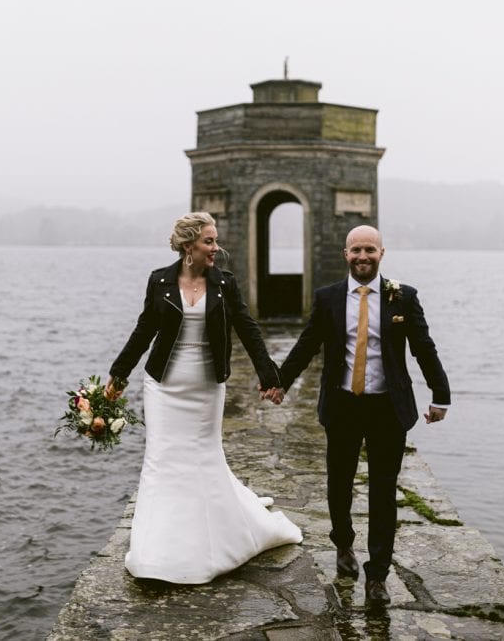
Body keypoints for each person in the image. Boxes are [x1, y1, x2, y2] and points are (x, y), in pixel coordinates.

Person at [107, 212, 302, 584]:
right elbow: (144, 329)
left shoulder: (224, 283)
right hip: (163, 385)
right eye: (209, 242)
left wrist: (269, 375)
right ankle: (155, 549)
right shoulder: (160, 280)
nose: (216, 248)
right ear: (188, 245)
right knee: (162, 459)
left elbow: (247, 326)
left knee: (204, 456)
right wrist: (119, 374)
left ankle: (211, 543)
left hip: (206, 386)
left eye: (216, 241)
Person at [263, 225, 450, 605]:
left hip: (388, 408)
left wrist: (440, 395)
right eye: (355, 251)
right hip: (343, 404)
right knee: (339, 485)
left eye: (370, 250)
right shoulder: (329, 298)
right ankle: (344, 544)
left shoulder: (403, 297)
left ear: (382, 253)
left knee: (383, 492)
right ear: (345, 254)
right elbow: (308, 344)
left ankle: (377, 576)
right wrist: (280, 381)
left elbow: (424, 349)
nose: (362, 257)